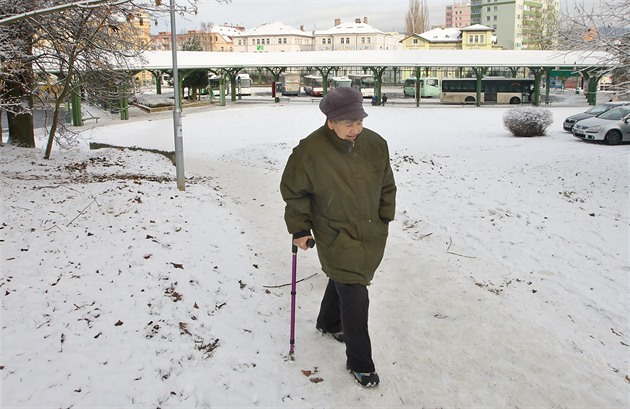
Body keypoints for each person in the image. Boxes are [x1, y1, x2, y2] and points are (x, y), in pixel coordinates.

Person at [280, 87, 397, 387]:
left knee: (346, 279)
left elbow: (387, 184)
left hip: (370, 230)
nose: (355, 129)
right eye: (348, 123)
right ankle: (361, 362)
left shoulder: (375, 144)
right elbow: (295, 193)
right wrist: (300, 229)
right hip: (334, 232)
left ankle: (329, 321)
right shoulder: (309, 151)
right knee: (356, 294)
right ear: (330, 121)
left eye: (359, 122)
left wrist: (385, 216)